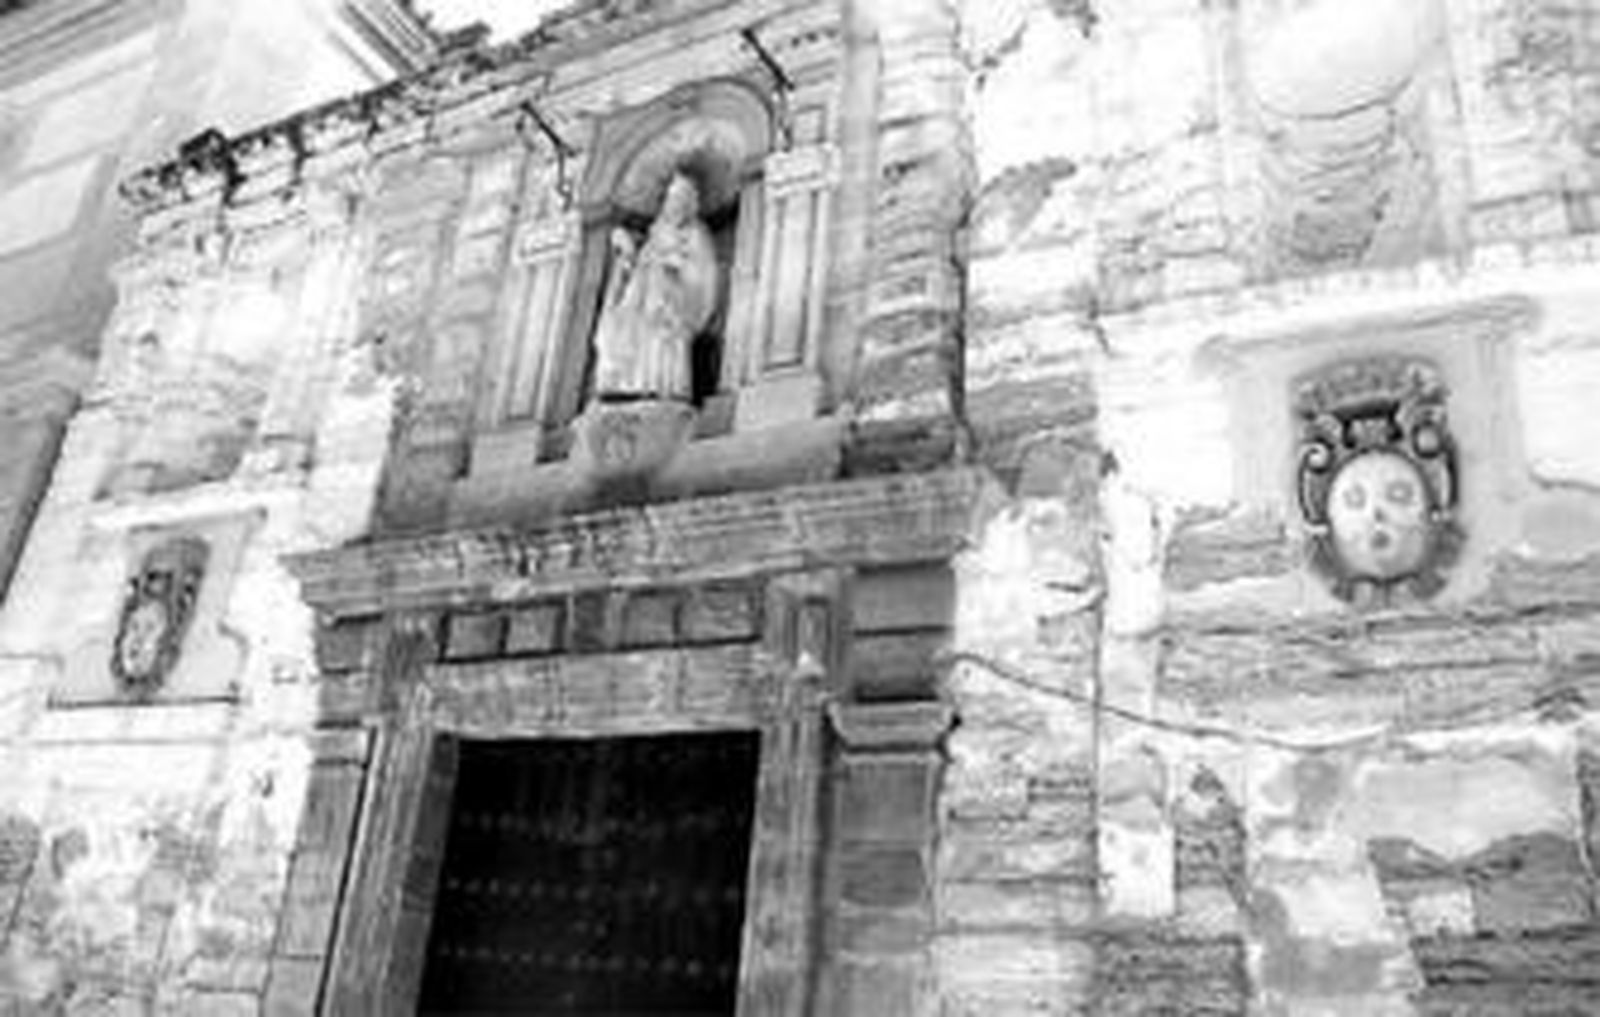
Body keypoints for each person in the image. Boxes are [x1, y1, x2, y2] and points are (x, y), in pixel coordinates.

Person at [591, 170, 719, 401]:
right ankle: (629, 383)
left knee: (658, 307)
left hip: (674, 301)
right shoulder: (655, 235)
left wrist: (667, 266)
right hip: (642, 300)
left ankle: (659, 386)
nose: (675, 206)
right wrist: (627, 255)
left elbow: (702, 275)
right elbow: (638, 268)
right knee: (615, 322)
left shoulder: (696, 234)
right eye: (671, 200)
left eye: (681, 200)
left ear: (690, 204)